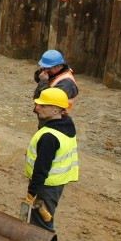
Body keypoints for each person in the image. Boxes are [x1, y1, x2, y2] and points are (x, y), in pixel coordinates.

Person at [24, 87, 78, 232]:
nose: (37, 108)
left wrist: (32, 192)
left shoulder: (50, 136)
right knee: (44, 217)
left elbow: (42, 168)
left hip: (45, 186)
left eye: (42, 105)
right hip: (55, 184)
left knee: (41, 224)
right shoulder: (65, 125)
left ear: (55, 110)